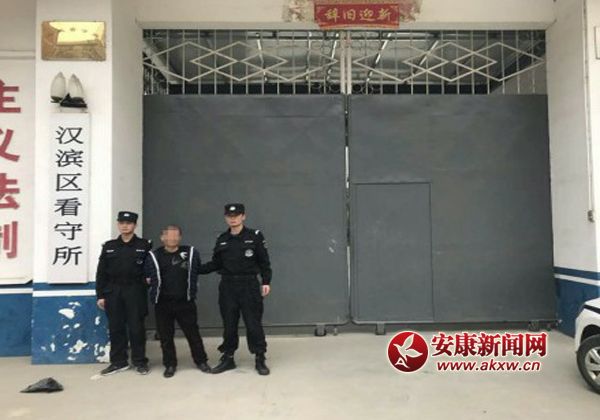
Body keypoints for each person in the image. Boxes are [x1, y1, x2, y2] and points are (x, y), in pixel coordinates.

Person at [200, 203, 272, 375]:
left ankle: (260, 358)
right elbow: (216, 263)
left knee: (253, 324)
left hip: (249, 285)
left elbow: (264, 262)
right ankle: (228, 358)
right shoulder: (222, 238)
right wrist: (195, 269)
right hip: (228, 286)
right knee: (229, 324)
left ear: (243, 216)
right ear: (225, 218)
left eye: (236, 215)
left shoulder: (254, 236)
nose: (233, 219)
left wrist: (266, 281)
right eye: (229, 216)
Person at [144, 225, 211, 378]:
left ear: (180, 238)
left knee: (193, 334)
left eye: (175, 236)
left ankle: (201, 361)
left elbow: (199, 269)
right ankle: (170, 364)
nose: (172, 239)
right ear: (162, 238)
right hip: (162, 303)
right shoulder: (154, 256)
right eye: (169, 236)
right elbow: (146, 276)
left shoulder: (190, 253)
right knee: (165, 337)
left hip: (185, 302)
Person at [95, 211, 152, 375]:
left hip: (135, 290)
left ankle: (140, 361)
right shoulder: (109, 246)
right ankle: (118, 362)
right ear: (118, 224)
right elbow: (101, 273)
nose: (125, 226)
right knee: (116, 327)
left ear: (135, 225)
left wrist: (147, 283)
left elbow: (150, 269)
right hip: (113, 291)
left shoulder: (144, 245)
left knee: (136, 328)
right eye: (122, 223)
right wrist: (100, 295)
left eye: (128, 223)